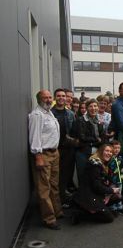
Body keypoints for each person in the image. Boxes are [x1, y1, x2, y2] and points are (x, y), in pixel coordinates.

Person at [29, 90, 63, 230]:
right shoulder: (37, 115)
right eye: (45, 98)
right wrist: (38, 156)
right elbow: (35, 136)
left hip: (54, 153)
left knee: (54, 185)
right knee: (44, 188)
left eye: (50, 97)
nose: (49, 100)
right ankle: (49, 219)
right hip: (43, 154)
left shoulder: (48, 112)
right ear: (39, 99)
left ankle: (57, 211)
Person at [72, 144, 122, 224]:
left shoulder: (105, 163)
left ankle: (98, 209)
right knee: (109, 218)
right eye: (107, 151)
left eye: (111, 152)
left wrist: (109, 194)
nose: (109, 153)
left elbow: (110, 181)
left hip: (97, 192)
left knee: (117, 197)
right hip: (89, 195)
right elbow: (97, 186)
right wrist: (111, 190)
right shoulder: (94, 165)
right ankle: (81, 214)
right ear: (101, 151)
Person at [51, 88, 77, 207]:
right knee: (56, 175)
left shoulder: (71, 114)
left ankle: (63, 197)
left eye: (63, 96)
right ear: (55, 98)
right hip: (55, 148)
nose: (61, 98)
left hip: (68, 148)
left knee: (66, 173)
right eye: (59, 96)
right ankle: (57, 199)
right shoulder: (50, 113)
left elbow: (74, 131)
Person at [75, 99, 106, 186]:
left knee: (95, 177)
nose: (93, 108)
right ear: (87, 108)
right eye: (91, 106)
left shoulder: (99, 120)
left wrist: (98, 140)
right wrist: (97, 140)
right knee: (83, 177)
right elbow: (82, 137)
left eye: (95, 106)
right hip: (83, 152)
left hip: (96, 152)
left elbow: (103, 137)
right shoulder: (80, 120)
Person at [106, 140, 123, 215]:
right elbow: (106, 171)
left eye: (118, 148)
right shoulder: (109, 159)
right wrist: (107, 179)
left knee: (119, 194)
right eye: (115, 148)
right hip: (112, 181)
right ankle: (113, 209)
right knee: (112, 195)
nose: (117, 150)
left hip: (120, 180)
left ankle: (120, 208)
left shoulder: (120, 158)